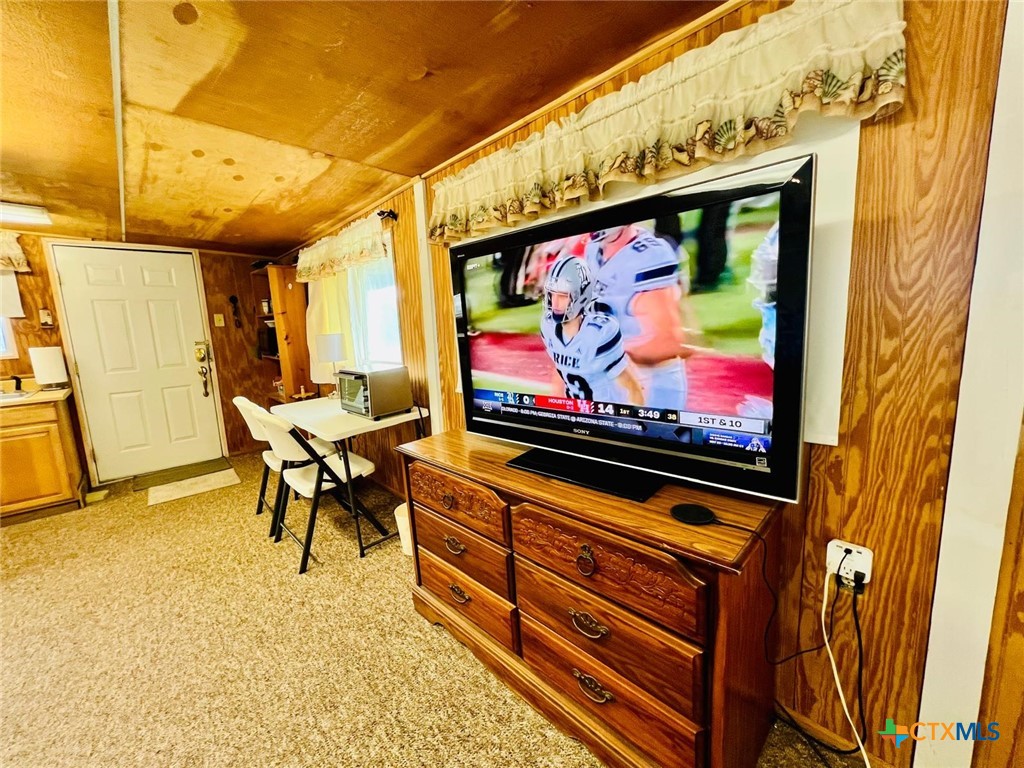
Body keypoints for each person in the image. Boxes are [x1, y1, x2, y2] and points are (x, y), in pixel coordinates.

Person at [584, 224, 690, 411]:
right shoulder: (593, 250)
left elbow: (666, 342)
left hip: (651, 378)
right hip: (614, 374)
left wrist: (606, 352)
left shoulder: (649, 255)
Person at [540, 255, 643, 405]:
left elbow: (632, 388)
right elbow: (560, 370)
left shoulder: (599, 333)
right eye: (551, 294)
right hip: (576, 416)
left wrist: (636, 425)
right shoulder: (548, 326)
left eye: (562, 296)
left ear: (581, 296)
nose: (554, 303)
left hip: (607, 419)